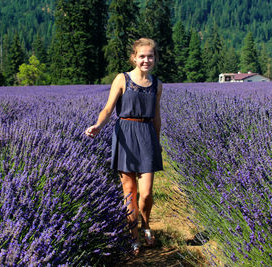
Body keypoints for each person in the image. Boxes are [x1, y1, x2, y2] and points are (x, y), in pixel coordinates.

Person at [85, 38, 163, 256]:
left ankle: (146, 224)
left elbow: (156, 116)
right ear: (134, 57)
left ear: (155, 59)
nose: (146, 60)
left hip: (147, 135)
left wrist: (157, 142)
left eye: (150, 56)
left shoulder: (157, 85)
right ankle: (133, 237)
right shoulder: (122, 79)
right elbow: (108, 108)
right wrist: (98, 125)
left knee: (146, 193)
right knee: (130, 192)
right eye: (142, 56)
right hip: (125, 135)